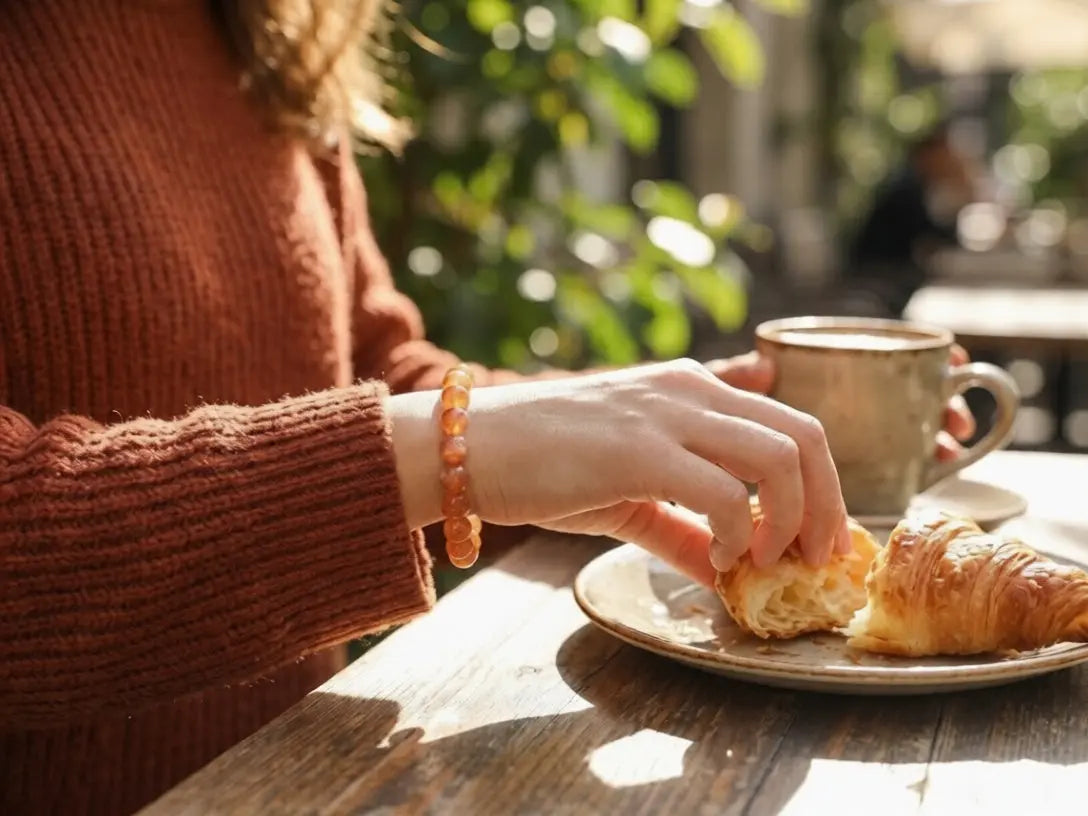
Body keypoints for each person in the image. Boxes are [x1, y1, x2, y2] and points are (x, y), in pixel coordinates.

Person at [0, 3, 973, 813]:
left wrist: (674, 429)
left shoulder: (265, 24)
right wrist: (456, 449)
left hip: (310, 782)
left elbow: (379, 372)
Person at [845, 124, 977, 316]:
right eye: (945, 155)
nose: (950, 161)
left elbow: (940, 240)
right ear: (928, 156)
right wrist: (962, 193)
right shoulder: (905, 189)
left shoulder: (913, 183)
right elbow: (933, 238)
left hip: (891, 273)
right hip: (880, 276)